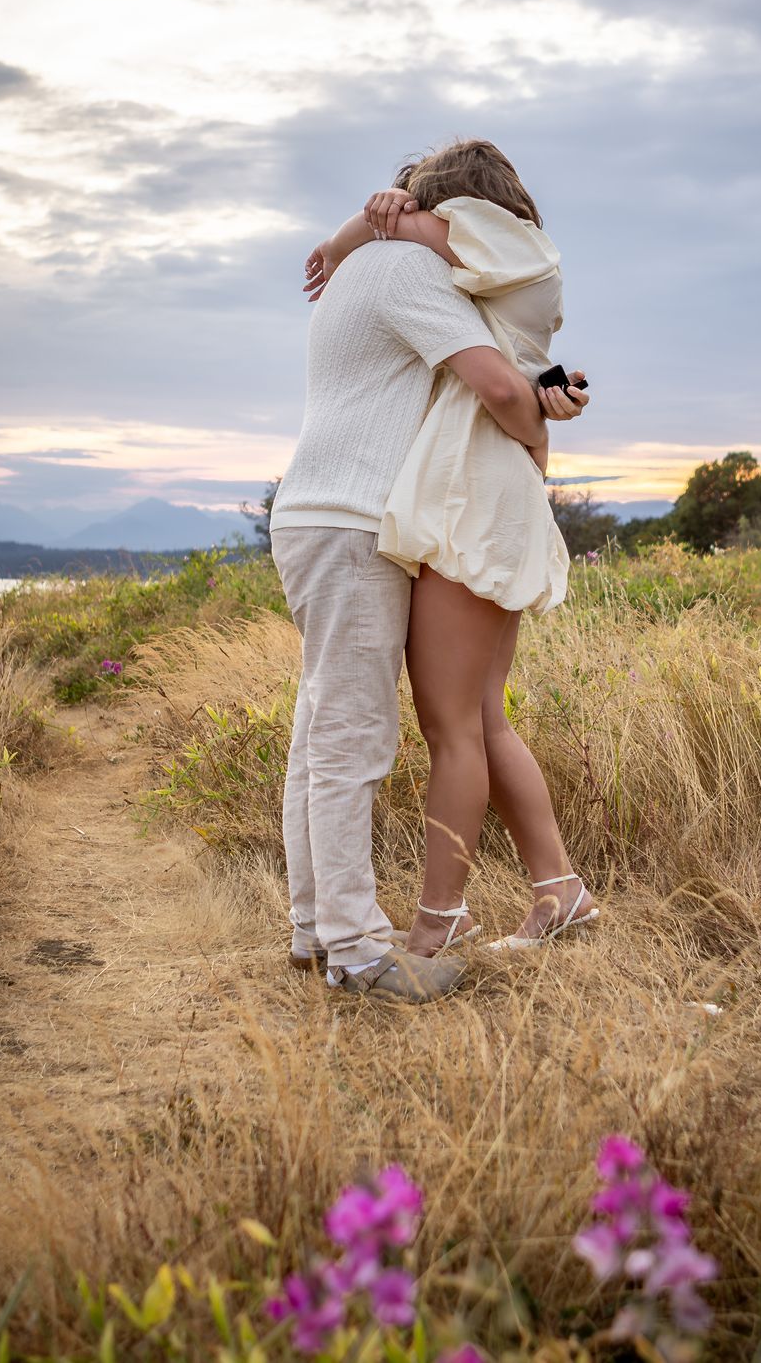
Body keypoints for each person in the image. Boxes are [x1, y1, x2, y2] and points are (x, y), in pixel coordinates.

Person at [270, 151, 585, 1003]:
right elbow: (496, 387)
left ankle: (315, 929)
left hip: (319, 512)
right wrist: (537, 435)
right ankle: (357, 949)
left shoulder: (367, 269)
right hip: (352, 520)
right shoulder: (408, 268)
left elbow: (495, 373)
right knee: (351, 739)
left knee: (321, 729)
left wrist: (543, 387)